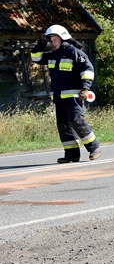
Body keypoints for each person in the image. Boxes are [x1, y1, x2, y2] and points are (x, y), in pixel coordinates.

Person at [30, 25, 101, 163]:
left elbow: (88, 69)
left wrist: (85, 88)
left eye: (55, 39)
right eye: (51, 40)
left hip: (74, 96)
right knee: (63, 125)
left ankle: (94, 147)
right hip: (59, 97)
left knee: (76, 121)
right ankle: (71, 154)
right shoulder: (53, 55)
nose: (53, 42)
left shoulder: (74, 52)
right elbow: (36, 57)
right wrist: (42, 43)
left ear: (63, 38)